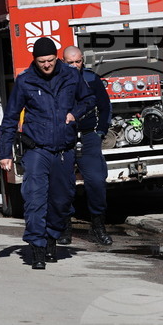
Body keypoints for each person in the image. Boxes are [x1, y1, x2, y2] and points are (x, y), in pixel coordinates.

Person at [0, 37, 94, 270]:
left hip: (64, 150)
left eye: (50, 60)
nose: (47, 65)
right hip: (36, 150)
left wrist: (75, 113)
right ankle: (37, 248)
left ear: (56, 58)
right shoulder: (25, 81)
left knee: (61, 200)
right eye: (42, 61)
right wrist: (5, 153)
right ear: (35, 60)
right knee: (35, 199)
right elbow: (10, 118)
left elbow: (89, 99)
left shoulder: (71, 76)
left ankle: (51, 237)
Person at [62, 45, 113, 245]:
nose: (75, 66)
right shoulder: (57, 81)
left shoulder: (92, 79)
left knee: (97, 181)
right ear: (63, 62)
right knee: (63, 185)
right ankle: (64, 228)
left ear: (83, 60)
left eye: (78, 61)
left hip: (89, 137)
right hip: (65, 138)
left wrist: (100, 131)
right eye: (70, 62)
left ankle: (98, 227)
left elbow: (105, 106)